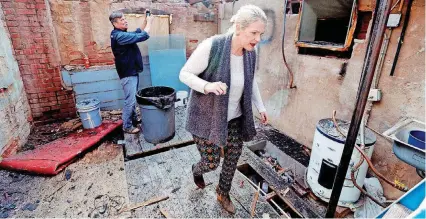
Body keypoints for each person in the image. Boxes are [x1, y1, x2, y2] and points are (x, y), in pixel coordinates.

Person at [179, 5, 269, 214]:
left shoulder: (250, 53)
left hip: (235, 118)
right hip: (207, 117)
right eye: (253, 33)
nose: (257, 39)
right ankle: (197, 169)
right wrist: (207, 86)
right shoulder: (213, 46)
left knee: (232, 157)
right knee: (211, 163)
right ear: (238, 27)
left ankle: (223, 192)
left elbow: (251, 80)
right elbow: (184, 74)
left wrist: (260, 106)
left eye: (261, 34)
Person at [110, 10, 154, 134]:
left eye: (125, 18)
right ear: (115, 23)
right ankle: (127, 126)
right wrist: (150, 23)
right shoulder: (120, 36)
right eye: (122, 20)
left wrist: (145, 20)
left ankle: (134, 120)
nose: (125, 21)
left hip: (131, 70)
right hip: (127, 73)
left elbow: (137, 32)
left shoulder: (120, 34)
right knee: (129, 100)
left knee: (132, 98)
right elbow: (143, 36)